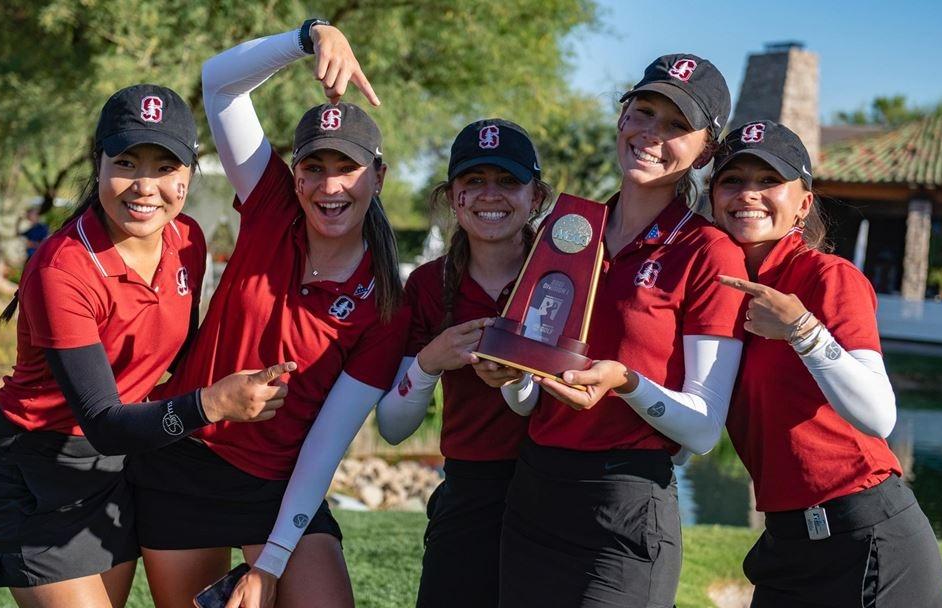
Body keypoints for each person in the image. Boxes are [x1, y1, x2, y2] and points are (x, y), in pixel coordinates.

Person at [0, 84, 293, 608]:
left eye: (165, 167)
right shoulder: (62, 269)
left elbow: (177, 359)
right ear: (99, 164)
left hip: (116, 466)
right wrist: (213, 403)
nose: (145, 186)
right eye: (126, 162)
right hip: (36, 469)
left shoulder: (187, 241)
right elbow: (103, 422)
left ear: (189, 175)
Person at [126, 21, 408, 608]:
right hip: (183, 458)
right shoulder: (273, 205)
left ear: (378, 178)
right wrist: (312, 35)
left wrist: (271, 562)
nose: (330, 185)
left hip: (281, 488)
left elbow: (326, 446)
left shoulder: (385, 303)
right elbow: (220, 84)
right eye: (314, 167)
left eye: (348, 168)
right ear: (295, 174)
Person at [475, 54, 748, 608]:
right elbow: (529, 400)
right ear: (622, 119)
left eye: (677, 125)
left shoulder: (709, 252)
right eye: (643, 112)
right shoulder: (569, 230)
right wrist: (510, 374)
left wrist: (626, 382)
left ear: (706, 152)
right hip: (534, 493)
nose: (652, 134)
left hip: (626, 504)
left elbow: (702, 430)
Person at [711, 120, 942, 608]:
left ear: (803, 204)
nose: (748, 193)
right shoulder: (712, 292)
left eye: (769, 180)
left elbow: (878, 416)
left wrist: (803, 330)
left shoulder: (828, 277)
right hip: (787, 544)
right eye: (732, 180)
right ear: (713, 198)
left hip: (867, 539)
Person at [376, 118, 551, 607]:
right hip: (470, 489)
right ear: (454, 197)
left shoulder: (566, 274)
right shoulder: (428, 284)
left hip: (558, 485)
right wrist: (429, 363)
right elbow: (392, 427)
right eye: (474, 181)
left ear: (536, 196)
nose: (490, 194)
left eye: (508, 181)